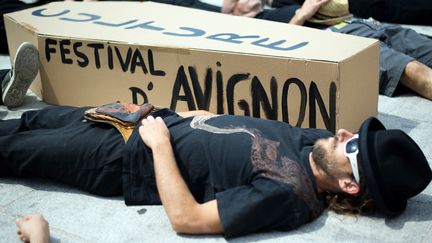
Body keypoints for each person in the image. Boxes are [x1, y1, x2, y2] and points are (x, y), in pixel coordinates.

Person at [1, 44, 431, 238]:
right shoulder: (317, 144)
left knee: (15, 151)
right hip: (143, 119)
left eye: (352, 146)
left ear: (349, 186)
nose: (343, 134)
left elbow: (188, 219)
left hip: (124, 158)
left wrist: (161, 145)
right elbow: (240, 127)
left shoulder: (291, 194)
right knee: (32, 121)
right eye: (354, 133)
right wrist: (181, 116)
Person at [216, 0, 432, 101]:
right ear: (235, 14)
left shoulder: (274, 8)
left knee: (425, 47)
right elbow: (276, 49)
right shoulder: (254, 28)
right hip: (339, 39)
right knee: (413, 72)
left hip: (363, 23)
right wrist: (302, 15)